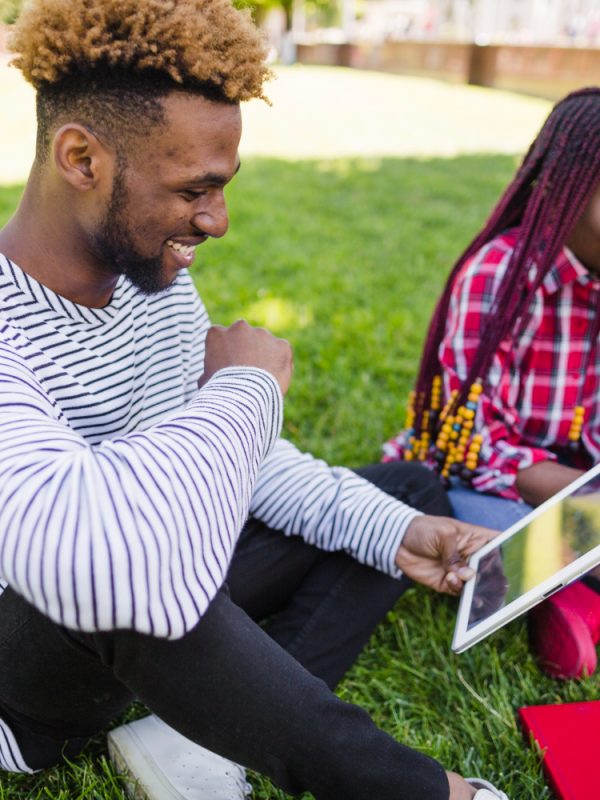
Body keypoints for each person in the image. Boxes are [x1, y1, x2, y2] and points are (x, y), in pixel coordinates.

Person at [0, 2, 511, 799]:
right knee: (135, 563)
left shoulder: (155, 287)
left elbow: (239, 462)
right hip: (40, 656)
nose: (218, 220)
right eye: (193, 189)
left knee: (404, 491)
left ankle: (189, 730)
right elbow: (91, 559)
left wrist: (395, 532)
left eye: (224, 186)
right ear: (80, 158)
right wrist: (242, 391)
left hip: (164, 599)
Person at [384, 87, 600, 682]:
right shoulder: (499, 277)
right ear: (564, 187)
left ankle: (565, 577)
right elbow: (475, 444)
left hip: (575, 477)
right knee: (473, 527)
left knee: (583, 523)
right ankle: (561, 594)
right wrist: (589, 498)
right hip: (484, 480)